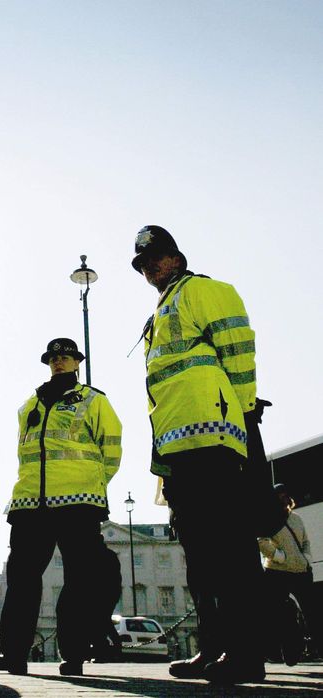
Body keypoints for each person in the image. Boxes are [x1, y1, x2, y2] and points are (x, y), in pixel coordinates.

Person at [132, 225, 266, 684]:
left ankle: (246, 652)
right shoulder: (162, 308)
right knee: (201, 556)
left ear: (177, 258)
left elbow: (239, 352)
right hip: (178, 447)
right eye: (143, 263)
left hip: (214, 439)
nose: (149, 267)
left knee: (229, 548)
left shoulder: (205, 291)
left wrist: (246, 415)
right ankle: (214, 648)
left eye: (156, 258)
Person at [0, 338, 122, 677]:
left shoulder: (94, 400)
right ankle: (14, 653)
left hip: (79, 502)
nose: (59, 363)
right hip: (30, 501)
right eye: (54, 358)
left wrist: (95, 483)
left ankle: (74, 654)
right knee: (20, 579)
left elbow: (111, 448)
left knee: (78, 579)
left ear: (77, 362)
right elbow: (24, 454)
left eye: (65, 357)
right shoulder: (28, 405)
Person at [259, 483, 320, 663]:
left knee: (313, 612)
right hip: (277, 572)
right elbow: (261, 541)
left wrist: (307, 558)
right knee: (281, 614)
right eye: (279, 496)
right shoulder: (268, 518)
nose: (283, 498)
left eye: (285, 495)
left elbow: (306, 541)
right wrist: (278, 556)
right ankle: (290, 651)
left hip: (301, 570)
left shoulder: (297, 518)